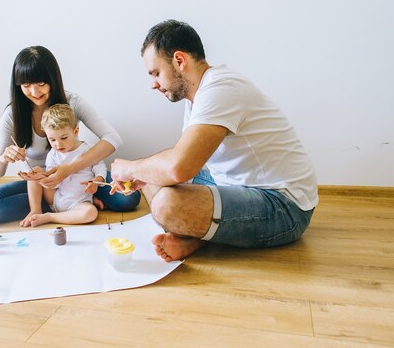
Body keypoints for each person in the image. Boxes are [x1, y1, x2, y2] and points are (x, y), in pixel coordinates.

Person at [110, 20, 318, 261]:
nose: (153, 84)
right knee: (151, 177)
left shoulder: (221, 88)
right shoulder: (197, 95)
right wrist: (141, 174)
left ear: (179, 61)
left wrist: (130, 168)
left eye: (156, 73)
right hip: (232, 184)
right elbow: (180, 160)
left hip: (284, 206)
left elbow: (179, 167)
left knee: (167, 203)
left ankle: (197, 235)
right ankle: (196, 236)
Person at [0, 46, 140, 224]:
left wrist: (69, 170)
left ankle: (71, 204)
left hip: (81, 178)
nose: (34, 92)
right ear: (18, 85)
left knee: (129, 198)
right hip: (45, 187)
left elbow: (112, 138)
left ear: (53, 79)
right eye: (26, 85)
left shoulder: (73, 103)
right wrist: (3, 159)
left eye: (41, 83)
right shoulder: (12, 115)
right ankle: (48, 206)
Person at [18, 104, 106, 227]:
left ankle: (49, 216)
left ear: (76, 131)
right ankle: (35, 209)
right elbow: (54, 182)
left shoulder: (87, 150)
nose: (58, 144)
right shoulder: (53, 154)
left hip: (78, 203)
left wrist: (97, 181)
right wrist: (40, 178)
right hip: (55, 198)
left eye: (64, 138)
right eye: (52, 140)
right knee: (36, 170)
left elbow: (100, 167)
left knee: (90, 213)